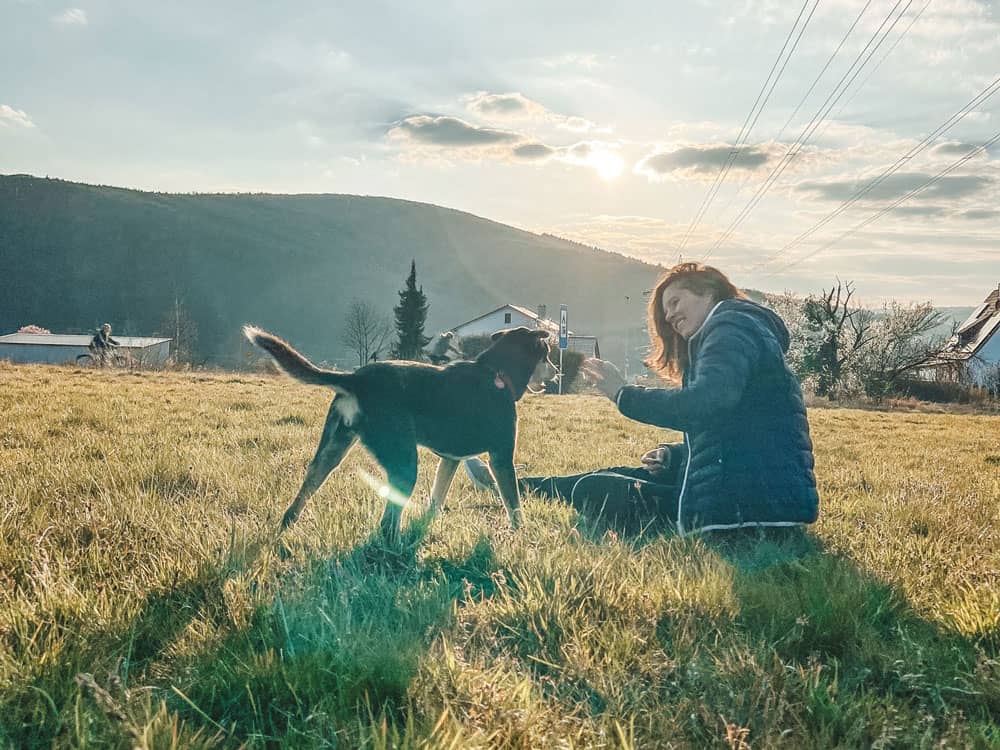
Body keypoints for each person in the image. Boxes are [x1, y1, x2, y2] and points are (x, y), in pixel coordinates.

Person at [464, 262, 819, 535]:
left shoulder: (729, 328)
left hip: (749, 508)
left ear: (709, 292)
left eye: (676, 301)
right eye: (666, 312)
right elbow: (733, 427)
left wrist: (623, 394)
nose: (670, 316)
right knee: (616, 474)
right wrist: (675, 454)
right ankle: (512, 486)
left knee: (597, 489)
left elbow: (705, 404)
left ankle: (512, 487)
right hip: (759, 494)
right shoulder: (738, 329)